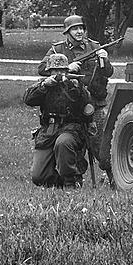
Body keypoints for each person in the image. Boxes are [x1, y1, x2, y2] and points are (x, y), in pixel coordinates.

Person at [38, 15, 113, 174]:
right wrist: (66, 67)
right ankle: (75, 178)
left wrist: (105, 60)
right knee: (74, 144)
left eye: (81, 28)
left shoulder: (95, 46)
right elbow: (42, 68)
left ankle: (113, 176)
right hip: (70, 106)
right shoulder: (57, 50)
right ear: (67, 32)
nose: (79, 32)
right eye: (75, 29)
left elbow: (109, 72)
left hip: (95, 104)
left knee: (103, 144)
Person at [25, 53, 94, 188]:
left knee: (63, 143)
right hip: (49, 130)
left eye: (62, 70)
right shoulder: (44, 85)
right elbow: (28, 99)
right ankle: (58, 182)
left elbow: (85, 103)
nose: (59, 73)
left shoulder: (74, 85)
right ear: (49, 72)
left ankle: (70, 181)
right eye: (55, 71)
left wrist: (72, 85)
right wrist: (44, 86)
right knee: (38, 177)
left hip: (71, 128)